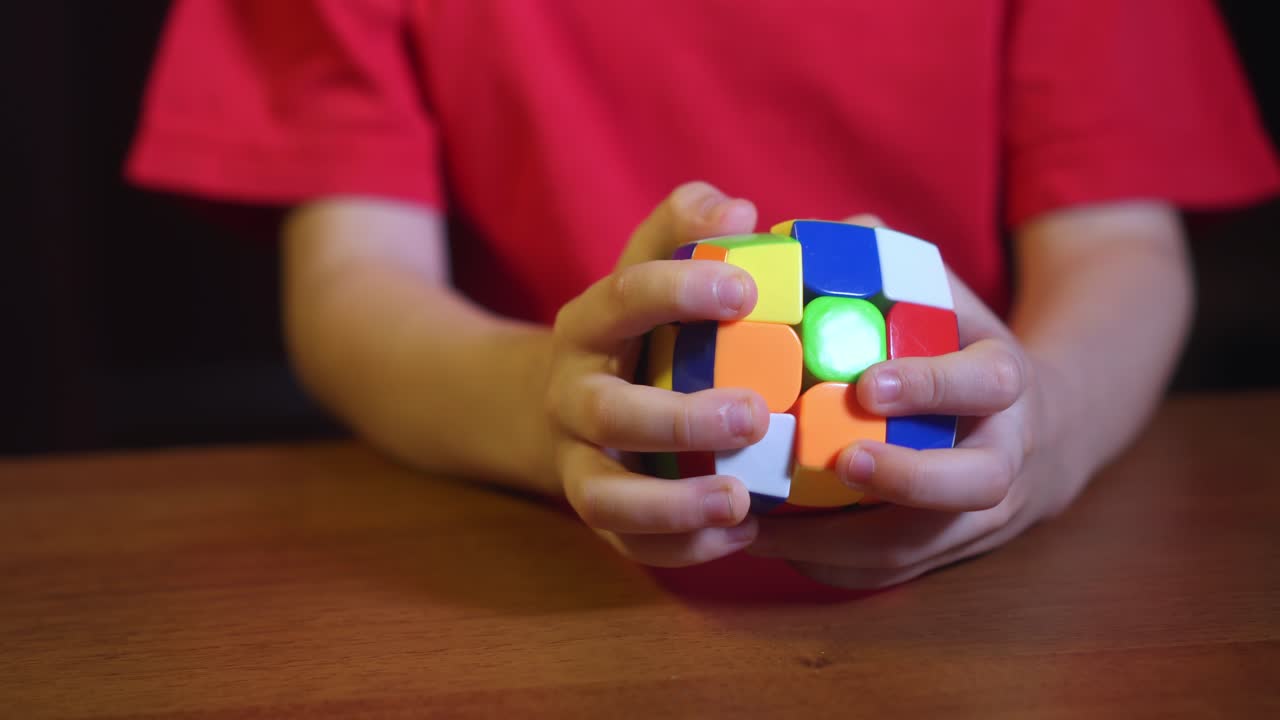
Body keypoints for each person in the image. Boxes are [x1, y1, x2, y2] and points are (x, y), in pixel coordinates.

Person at [128, 0, 1279, 589]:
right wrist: (547, 407)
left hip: (976, 589)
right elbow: (349, 286)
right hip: (539, 573)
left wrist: (1043, 424)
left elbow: (1120, 249)